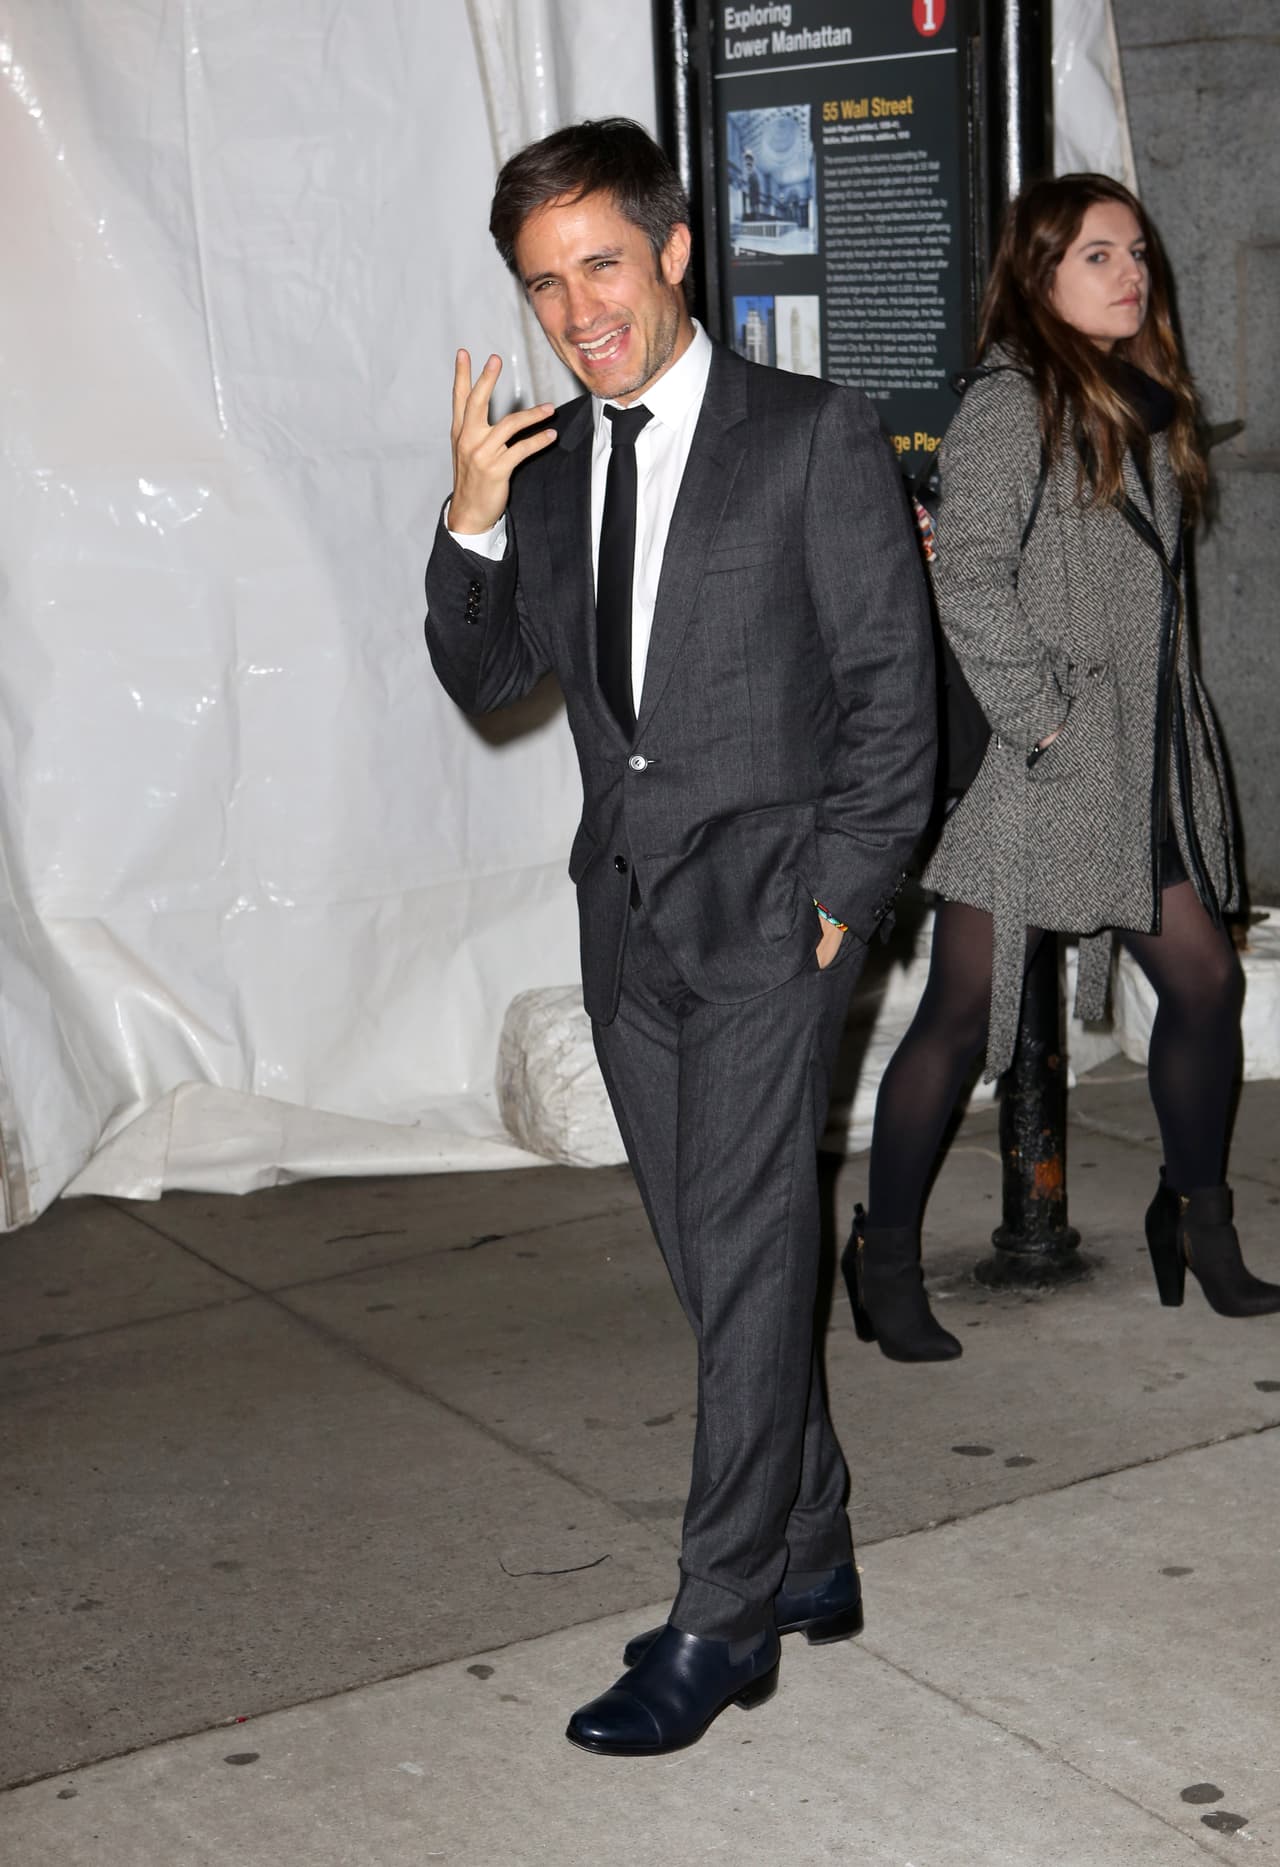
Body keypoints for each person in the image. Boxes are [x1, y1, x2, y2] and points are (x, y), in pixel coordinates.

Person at [424, 118, 936, 1753]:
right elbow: (489, 677)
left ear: (674, 252)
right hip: (627, 921)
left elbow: (889, 698)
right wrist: (473, 518)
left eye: (600, 266)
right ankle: (814, 1547)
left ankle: (723, 1620)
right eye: (543, 283)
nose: (577, 312)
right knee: (726, 1264)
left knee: (750, 1242)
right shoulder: (557, 465)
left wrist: (841, 899)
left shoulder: (810, 435)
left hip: (777, 921)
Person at [843, 172, 1280, 1365]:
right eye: (1095, 255)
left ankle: (1196, 1222)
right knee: (960, 1017)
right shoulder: (1010, 402)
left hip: (1137, 757)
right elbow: (967, 577)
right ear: (1036, 273)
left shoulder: (1134, 399)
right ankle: (880, 1260)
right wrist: (1040, 724)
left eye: (1134, 251)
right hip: (1042, 766)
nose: (1128, 273)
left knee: (1201, 985)